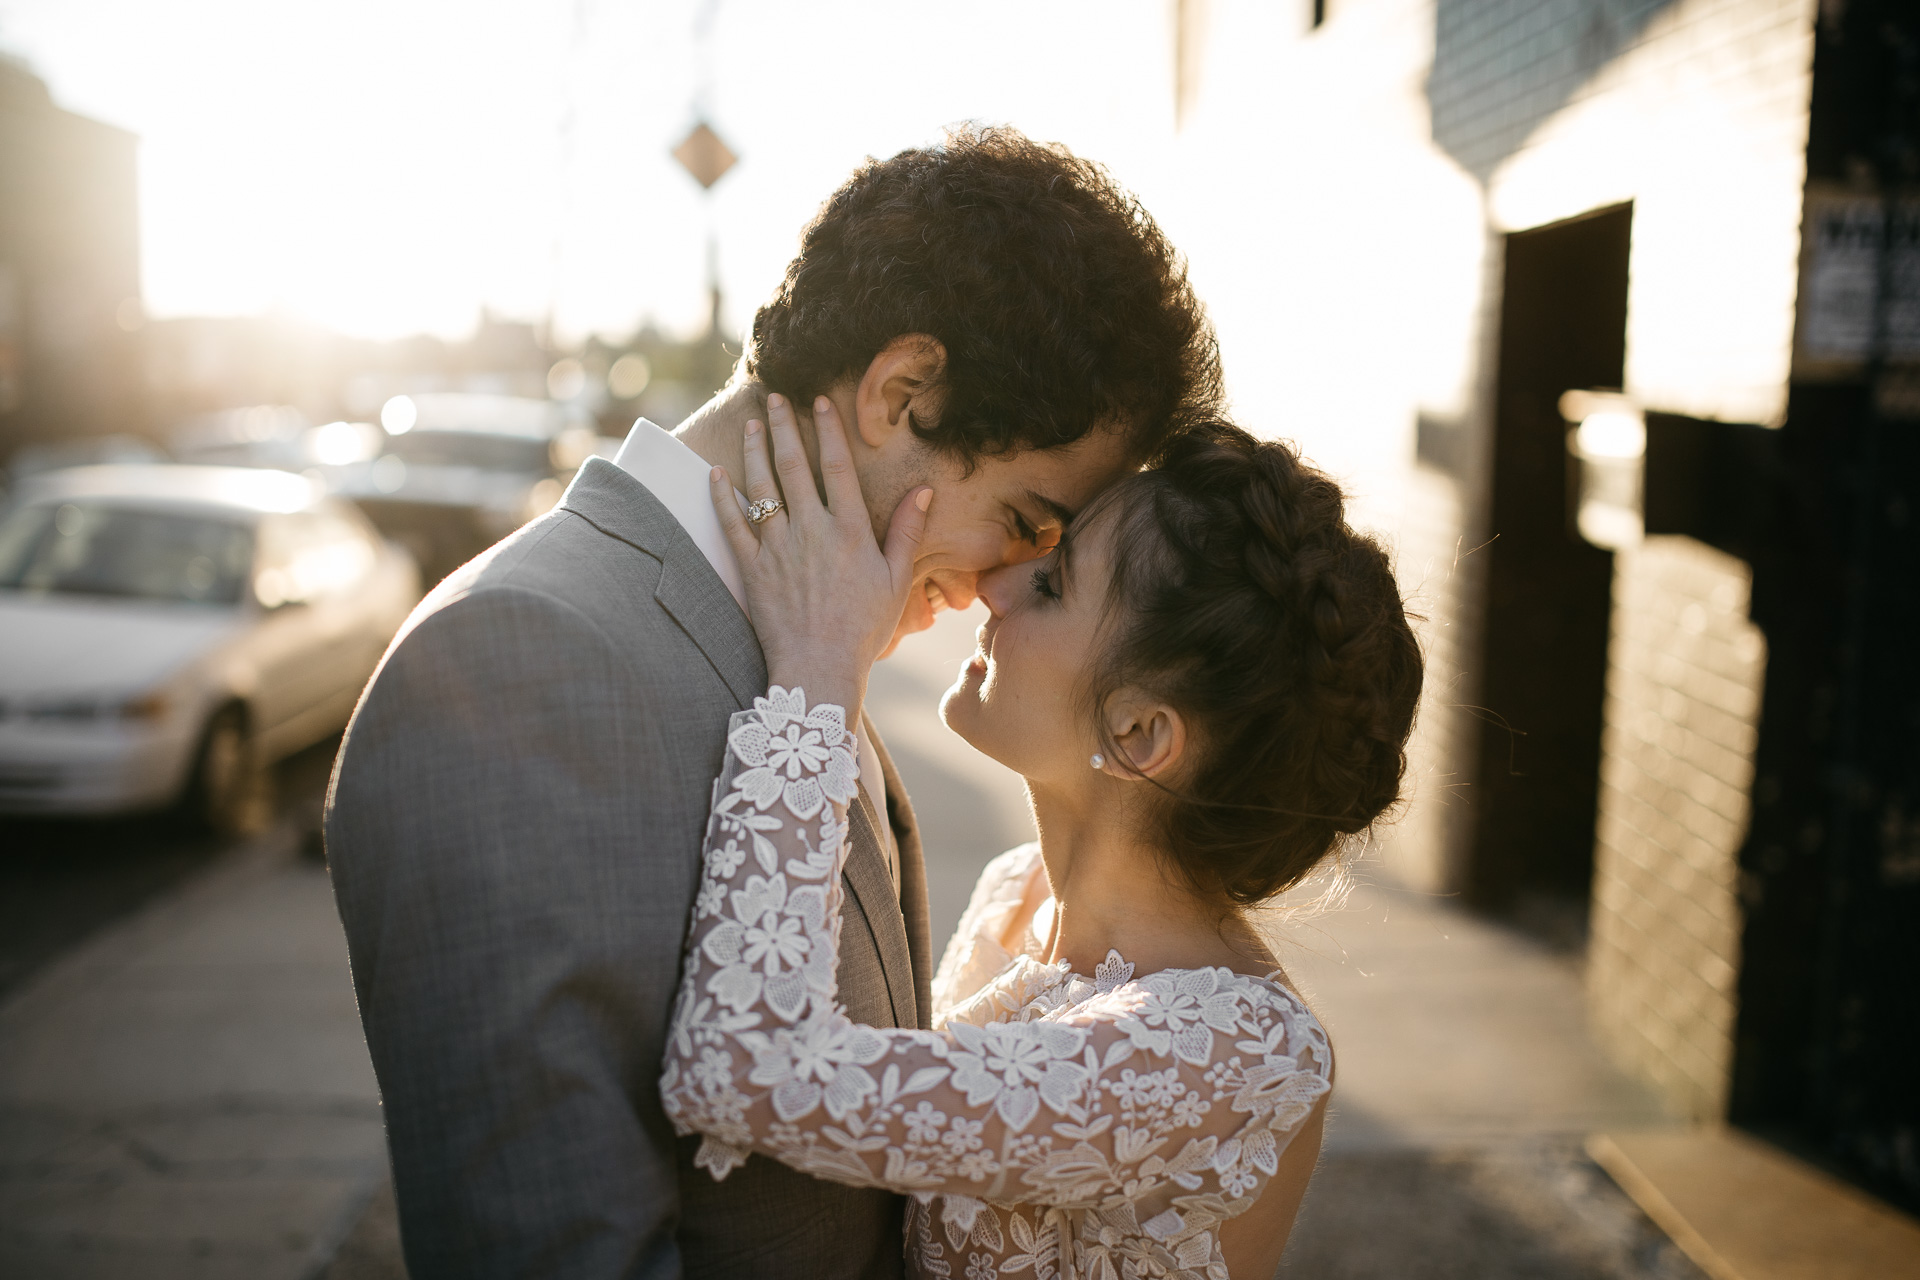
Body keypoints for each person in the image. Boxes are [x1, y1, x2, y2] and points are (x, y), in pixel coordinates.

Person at [325, 126, 1220, 1279]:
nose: (1007, 581)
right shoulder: (516, 661)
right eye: (1027, 518)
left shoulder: (815, 640)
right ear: (904, 392)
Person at [661, 406, 1422, 1279]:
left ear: (1139, 734)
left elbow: (747, 1073)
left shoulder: (1236, 1054)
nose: (994, 586)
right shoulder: (1016, 893)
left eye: (1052, 584)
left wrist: (819, 670)